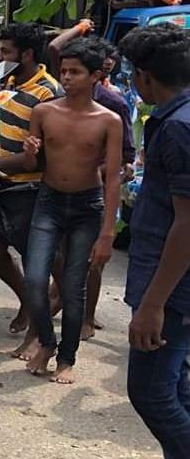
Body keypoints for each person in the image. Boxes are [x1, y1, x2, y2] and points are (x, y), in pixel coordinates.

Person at [0, 38, 122, 383]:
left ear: (95, 76)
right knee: (35, 279)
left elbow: (112, 180)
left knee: (73, 285)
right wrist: (31, 148)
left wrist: (108, 232)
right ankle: (46, 342)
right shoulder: (45, 111)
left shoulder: (109, 120)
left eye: (75, 72)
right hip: (48, 200)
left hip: (86, 206)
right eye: (64, 71)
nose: (67, 77)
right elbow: (33, 160)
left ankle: (67, 357)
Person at [118, 24, 190, 459]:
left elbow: (187, 223)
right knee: (177, 387)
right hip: (170, 283)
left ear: (144, 77)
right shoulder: (174, 120)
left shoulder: (178, 129)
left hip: (173, 289)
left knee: (151, 392)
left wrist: (153, 304)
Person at [0, 22, 61, 352]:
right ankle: (30, 301)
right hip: (5, 186)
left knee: (40, 262)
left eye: (5, 51)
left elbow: (43, 157)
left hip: (31, 189)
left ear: (27, 54)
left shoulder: (48, 93)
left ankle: (40, 331)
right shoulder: (9, 82)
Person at [48, 22, 136, 339]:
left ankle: (86, 316)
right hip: (60, 191)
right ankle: (61, 300)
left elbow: (125, 157)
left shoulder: (113, 106)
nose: (69, 77)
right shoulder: (62, 97)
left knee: (91, 260)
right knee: (61, 253)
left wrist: (96, 173)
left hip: (94, 190)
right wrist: (79, 28)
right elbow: (55, 48)